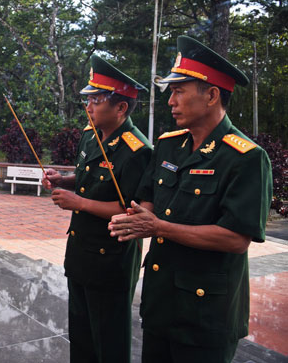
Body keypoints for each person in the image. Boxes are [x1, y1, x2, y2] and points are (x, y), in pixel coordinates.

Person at [108, 35, 272, 363]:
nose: (171, 101)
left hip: (206, 314)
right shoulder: (169, 145)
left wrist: (158, 226)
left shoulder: (246, 158)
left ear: (211, 95)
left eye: (179, 91)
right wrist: (138, 219)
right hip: (161, 303)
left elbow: (236, 239)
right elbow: (149, 197)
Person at [44, 55, 151, 363]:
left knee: (109, 341)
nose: (88, 106)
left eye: (97, 100)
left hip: (110, 259)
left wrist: (78, 203)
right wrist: (64, 178)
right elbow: (89, 175)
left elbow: (128, 210)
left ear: (121, 107)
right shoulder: (91, 136)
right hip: (81, 251)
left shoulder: (137, 150)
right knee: (81, 335)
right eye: (88, 99)